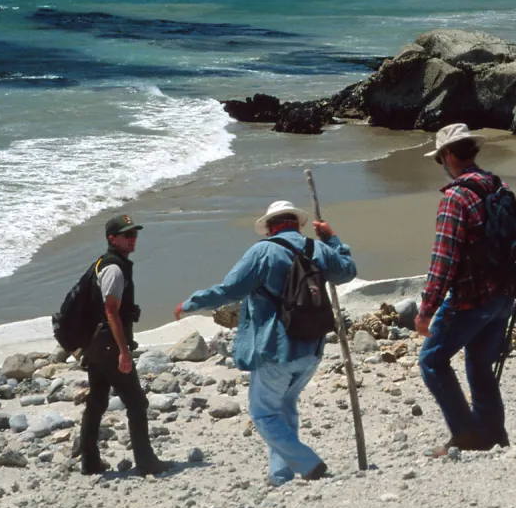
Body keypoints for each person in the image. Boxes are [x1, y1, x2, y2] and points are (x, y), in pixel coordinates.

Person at [175, 200, 356, 486]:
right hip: (313, 348)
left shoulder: (263, 251)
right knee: (284, 406)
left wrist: (190, 303)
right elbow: (347, 270)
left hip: (276, 349)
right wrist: (332, 238)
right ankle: (280, 475)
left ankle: (308, 463)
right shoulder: (317, 248)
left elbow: (230, 289)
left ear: (270, 227)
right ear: (297, 224)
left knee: (262, 413)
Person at [415, 123, 516, 454]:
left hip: (472, 298)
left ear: (447, 156)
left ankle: (466, 434)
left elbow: (443, 260)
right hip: (504, 294)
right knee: (479, 363)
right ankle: (493, 433)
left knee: (431, 360)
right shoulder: (496, 186)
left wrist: (426, 310)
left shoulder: (456, 198)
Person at [77, 214, 168, 477]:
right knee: (137, 403)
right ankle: (147, 463)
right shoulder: (114, 269)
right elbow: (111, 312)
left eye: (134, 234)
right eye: (127, 235)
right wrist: (124, 352)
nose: (133, 239)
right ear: (112, 239)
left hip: (95, 345)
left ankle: (90, 463)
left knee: (97, 401)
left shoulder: (104, 265)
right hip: (109, 345)